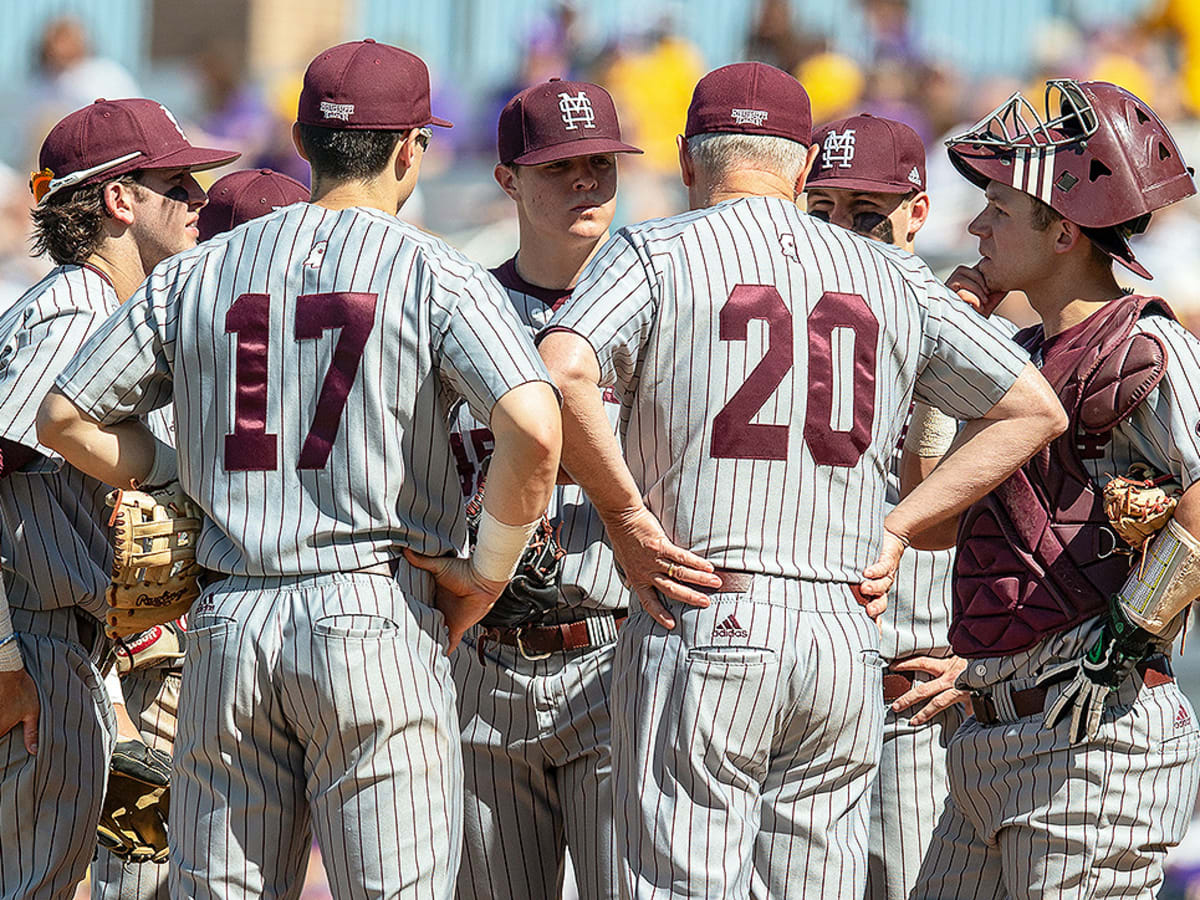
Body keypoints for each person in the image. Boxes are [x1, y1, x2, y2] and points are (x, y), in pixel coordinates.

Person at [37, 39, 562, 899]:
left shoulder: (199, 269)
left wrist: (177, 468)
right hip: (371, 606)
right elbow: (535, 429)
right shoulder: (432, 268)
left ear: (304, 142)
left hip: (230, 616)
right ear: (409, 150)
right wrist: (483, 573)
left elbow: (65, 416)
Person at [537, 61, 1067, 900]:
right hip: (843, 621)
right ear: (804, 164)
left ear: (685, 161)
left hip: (703, 602)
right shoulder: (890, 272)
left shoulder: (656, 248)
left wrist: (625, 516)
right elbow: (1033, 408)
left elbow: (561, 372)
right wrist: (899, 526)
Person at [908, 78, 1200, 900]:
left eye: (999, 208)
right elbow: (935, 516)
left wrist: (1124, 640)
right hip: (992, 740)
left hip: (1095, 741)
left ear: (1065, 230)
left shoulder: (1145, 346)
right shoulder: (1019, 352)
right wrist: (950, 358)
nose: (975, 227)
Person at [0, 97, 237, 900]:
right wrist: (3, 662)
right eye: (180, 181)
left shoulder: (113, 315)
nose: (202, 198)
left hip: (72, 649)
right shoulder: (75, 317)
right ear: (119, 199)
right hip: (33, 649)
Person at [449, 78, 640, 900]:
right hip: (485, 660)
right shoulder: (461, 306)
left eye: (599, 163)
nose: (585, 182)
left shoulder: (661, 299)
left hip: (619, 646)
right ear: (508, 180)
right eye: (560, 167)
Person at [804, 111, 968, 900]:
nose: (843, 231)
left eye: (867, 214)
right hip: (798, 674)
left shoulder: (960, 325)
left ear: (918, 213)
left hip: (908, 680)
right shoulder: (775, 321)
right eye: (824, 209)